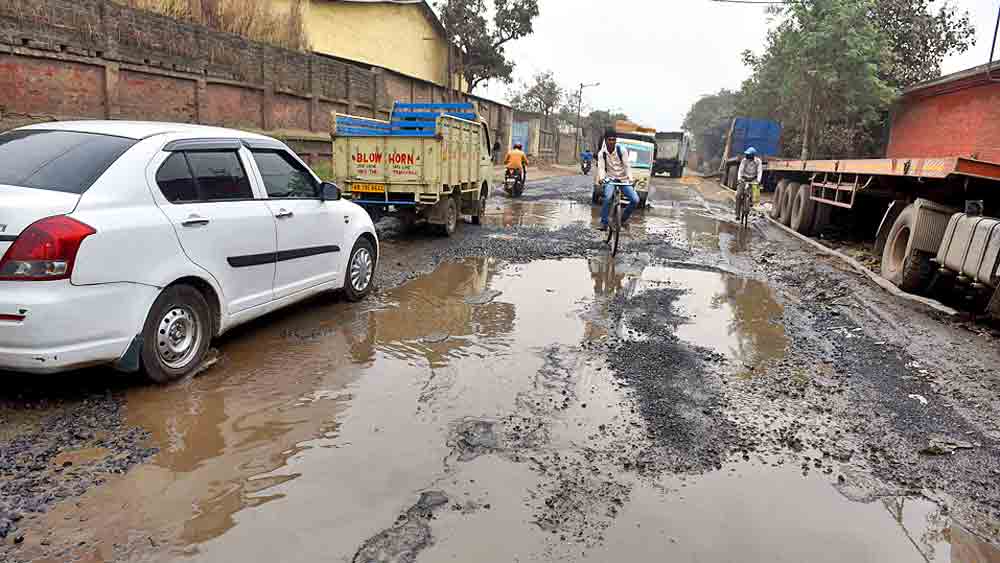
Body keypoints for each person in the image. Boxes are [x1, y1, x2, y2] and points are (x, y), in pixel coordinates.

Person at [596, 129, 639, 231]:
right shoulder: (602, 154)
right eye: (609, 139)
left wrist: (631, 179)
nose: (612, 142)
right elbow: (601, 168)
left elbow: (627, 166)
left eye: (614, 139)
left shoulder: (622, 150)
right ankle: (604, 222)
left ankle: (622, 220)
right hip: (610, 179)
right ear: (605, 140)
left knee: (635, 200)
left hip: (623, 179)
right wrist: (602, 178)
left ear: (616, 140)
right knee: (607, 198)